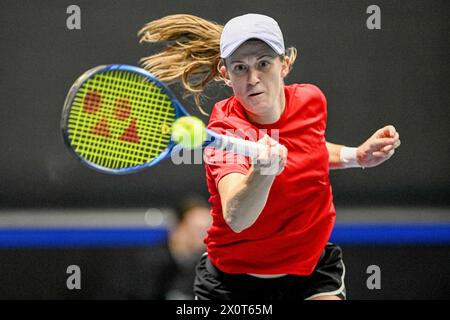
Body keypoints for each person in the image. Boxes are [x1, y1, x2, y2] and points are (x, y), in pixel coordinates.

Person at [138, 13, 401, 300]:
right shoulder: (225, 128)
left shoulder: (311, 101)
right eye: (240, 68)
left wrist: (355, 155)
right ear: (225, 74)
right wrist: (262, 172)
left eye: (264, 63)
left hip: (311, 274)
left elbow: (309, 149)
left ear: (285, 64)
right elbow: (237, 217)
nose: (253, 79)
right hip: (232, 285)